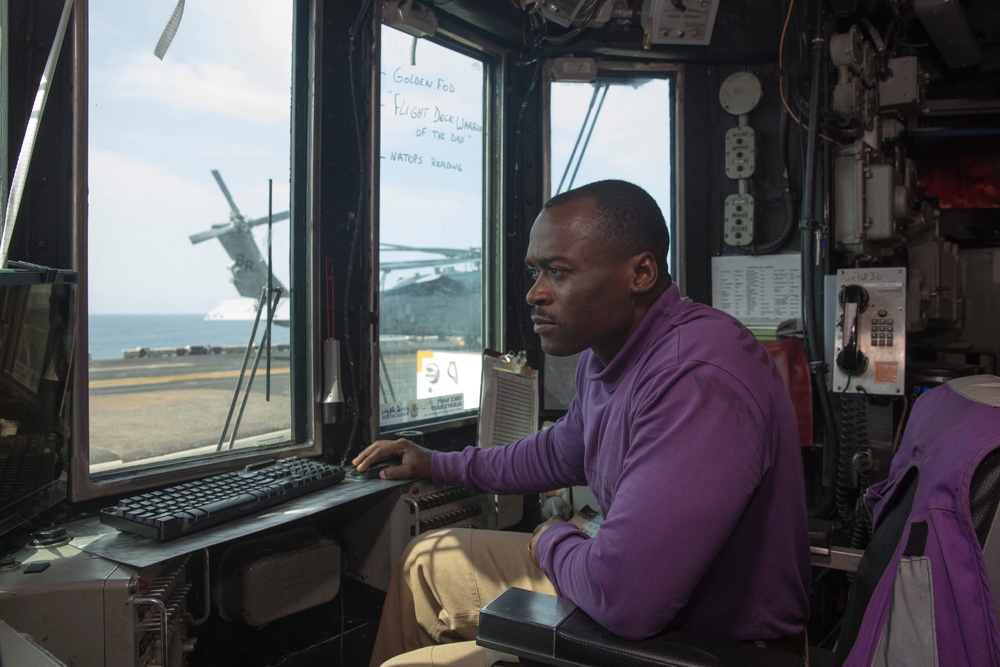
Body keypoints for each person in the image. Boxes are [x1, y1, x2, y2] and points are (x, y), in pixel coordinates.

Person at [354, 179, 811, 667]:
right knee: (426, 561)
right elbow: (558, 451)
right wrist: (438, 464)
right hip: (644, 605)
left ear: (641, 273)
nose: (535, 294)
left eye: (558, 271)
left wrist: (552, 537)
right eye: (535, 271)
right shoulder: (611, 357)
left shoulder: (694, 380)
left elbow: (626, 599)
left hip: (709, 646)